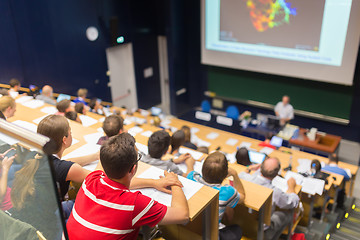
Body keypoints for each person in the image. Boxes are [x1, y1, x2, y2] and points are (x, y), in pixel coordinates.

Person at [66, 133, 190, 240]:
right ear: (133, 169)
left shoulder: (91, 179)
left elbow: (117, 183)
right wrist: (174, 182)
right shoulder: (134, 203)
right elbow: (182, 215)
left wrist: (153, 183)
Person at [187, 152, 245, 240]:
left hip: (189, 230)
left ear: (202, 169)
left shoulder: (192, 177)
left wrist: (190, 164)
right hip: (210, 235)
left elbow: (190, 172)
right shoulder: (227, 191)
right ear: (225, 174)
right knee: (237, 229)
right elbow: (242, 197)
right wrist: (235, 174)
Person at [239, 157, 299, 240]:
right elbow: (292, 203)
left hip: (240, 224)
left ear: (260, 168)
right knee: (288, 214)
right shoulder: (274, 192)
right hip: (260, 232)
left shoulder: (244, 178)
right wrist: (291, 187)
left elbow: (241, 173)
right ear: (276, 174)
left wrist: (250, 168)